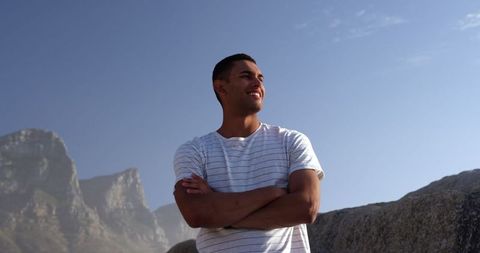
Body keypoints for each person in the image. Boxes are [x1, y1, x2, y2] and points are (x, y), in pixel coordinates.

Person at [173, 53, 324, 253]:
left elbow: (306, 207)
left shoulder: (291, 140)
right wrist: (273, 193)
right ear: (221, 87)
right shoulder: (194, 150)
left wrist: (221, 212)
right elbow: (196, 213)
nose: (257, 83)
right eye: (246, 76)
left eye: (260, 78)